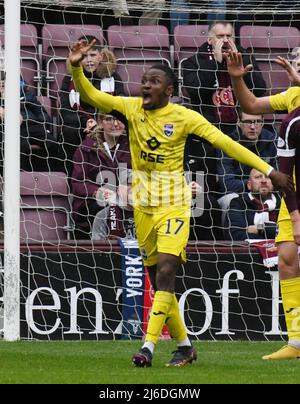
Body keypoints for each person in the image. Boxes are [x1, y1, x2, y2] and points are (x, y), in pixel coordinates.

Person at [68, 39, 292, 368]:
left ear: (169, 90)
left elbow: (227, 143)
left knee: (167, 270)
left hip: (174, 202)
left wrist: (270, 170)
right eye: (144, 79)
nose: (146, 84)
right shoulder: (131, 108)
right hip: (143, 204)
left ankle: (147, 346)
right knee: (157, 276)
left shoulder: (184, 117)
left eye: (154, 81)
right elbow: (91, 95)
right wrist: (75, 67)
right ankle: (186, 346)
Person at [226, 51, 300, 359]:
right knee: (286, 258)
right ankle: (296, 342)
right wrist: (236, 78)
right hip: (295, 193)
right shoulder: (294, 99)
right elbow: (252, 105)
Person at [182, 20, 266, 134]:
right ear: (210, 40)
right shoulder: (193, 62)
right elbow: (195, 92)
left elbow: (260, 90)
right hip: (207, 124)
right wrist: (215, 63)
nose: (226, 40)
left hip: (241, 126)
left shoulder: (246, 58)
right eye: (220, 36)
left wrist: (240, 64)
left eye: (229, 36)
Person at [59, 35, 125, 178]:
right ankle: (73, 181)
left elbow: (120, 107)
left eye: (93, 55)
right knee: (68, 132)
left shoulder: (113, 77)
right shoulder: (68, 79)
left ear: (101, 56)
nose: (88, 60)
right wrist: (87, 122)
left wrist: (101, 123)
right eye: (84, 56)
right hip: (80, 125)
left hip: (107, 124)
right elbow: (64, 111)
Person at [71, 113, 131, 238]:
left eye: (120, 120)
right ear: (100, 122)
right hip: (93, 200)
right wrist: (98, 191)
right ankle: (113, 239)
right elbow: (78, 183)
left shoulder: (134, 146)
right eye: (109, 119)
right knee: (111, 204)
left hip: (128, 197)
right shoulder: (85, 148)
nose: (115, 124)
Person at [217, 110, 278, 214]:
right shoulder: (226, 143)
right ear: (239, 122)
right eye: (248, 122)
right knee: (230, 199)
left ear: (263, 123)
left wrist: (259, 185)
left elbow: (279, 178)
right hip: (238, 194)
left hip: (266, 192)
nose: (253, 127)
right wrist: (254, 184)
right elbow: (226, 185)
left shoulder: (272, 140)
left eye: (257, 122)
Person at [0, 71, 57, 172]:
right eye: (1, 83)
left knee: (52, 143)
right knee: (21, 146)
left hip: (33, 125)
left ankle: (51, 174)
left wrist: (42, 124)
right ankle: (21, 176)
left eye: (4, 83)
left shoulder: (27, 95)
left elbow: (41, 111)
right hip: (13, 129)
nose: (3, 85)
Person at [224, 168, 281, 241]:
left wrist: (261, 228)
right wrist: (273, 234)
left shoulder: (284, 203)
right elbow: (234, 235)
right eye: (258, 177)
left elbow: (291, 230)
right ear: (249, 185)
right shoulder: (239, 203)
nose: (263, 181)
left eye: (267, 177)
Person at [92, 168, 135, 240]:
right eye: (127, 184)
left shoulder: (154, 214)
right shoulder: (103, 215)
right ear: (118, 190)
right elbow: (97, 249)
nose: (132, 189)